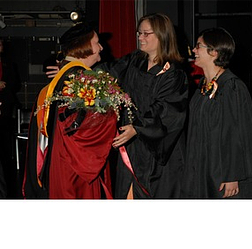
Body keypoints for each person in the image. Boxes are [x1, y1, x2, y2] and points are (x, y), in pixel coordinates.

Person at [46, 13, 189, 199]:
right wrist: (72, 69)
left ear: (162, 35)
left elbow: (167, 109)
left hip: (158, 151)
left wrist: (138, 127)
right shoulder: (135, 60)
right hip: (130, 145)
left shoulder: (174, 74)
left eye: (146, 33)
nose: (140, 37)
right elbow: (105, 72)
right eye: (139, 33)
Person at [23, 22, 118, 199]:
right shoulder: (80, 80)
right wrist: (113, 117)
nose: (101, 47)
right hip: (75, 169)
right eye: (96, 42)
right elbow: (87, 130)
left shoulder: (63, 77)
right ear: (84, 47)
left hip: (59, 161)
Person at [181, 27, 252, 199]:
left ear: (214, 52)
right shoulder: (204, 87)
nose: (194, 50)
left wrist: (232, 175)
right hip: (204, 166)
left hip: (223, 172)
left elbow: (235, 133)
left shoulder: (232, 87)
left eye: (199, 46)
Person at [0, 38, 21, 198]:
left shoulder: (8, 62)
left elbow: (16, 83)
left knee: (4, 146)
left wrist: (6, 84)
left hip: (5, 108)